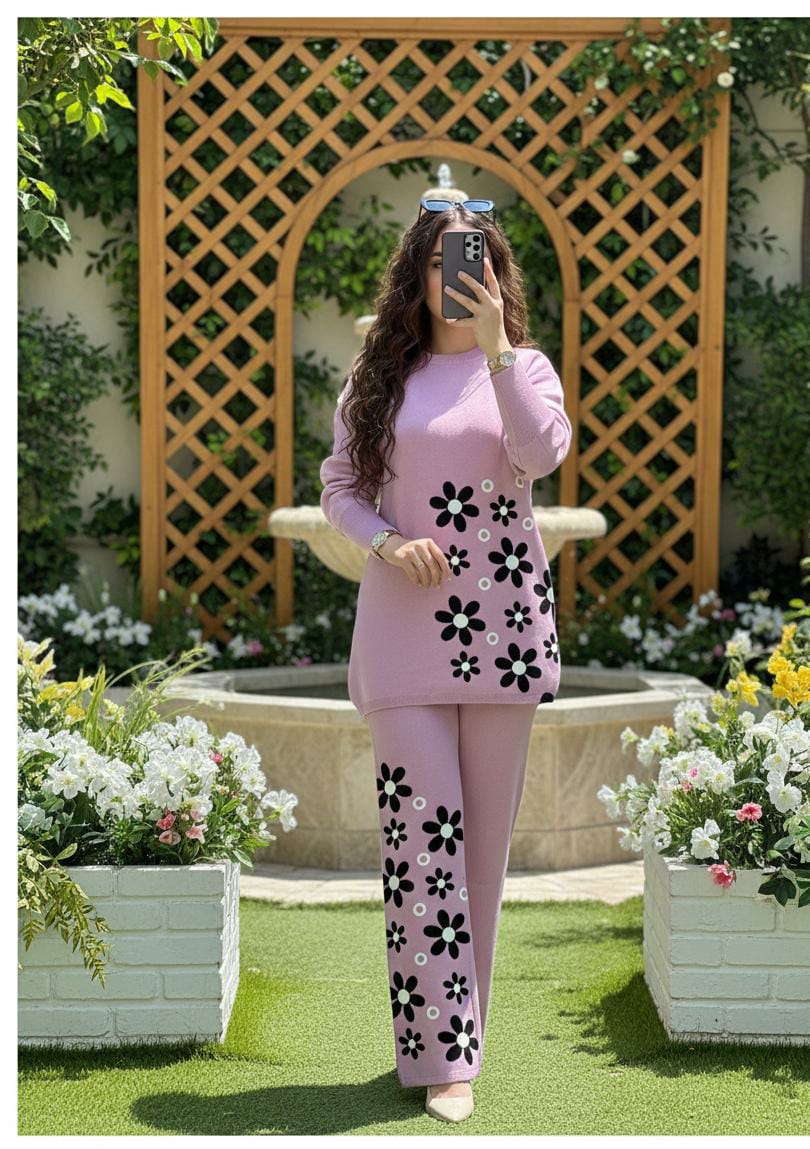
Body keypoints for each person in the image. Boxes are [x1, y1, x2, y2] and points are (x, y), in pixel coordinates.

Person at [319, 199, 572, 1122]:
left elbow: (540, 452)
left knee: (481, 859)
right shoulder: (378, 376)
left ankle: (463, 1047)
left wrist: (497, 344)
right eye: (437, 262)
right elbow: (340, 488)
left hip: (503, 632)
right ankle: (439, 1060)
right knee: (420, 850)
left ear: (494, 273)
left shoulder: (525, 368)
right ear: (415, 276)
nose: (453, 278)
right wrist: (387, 542)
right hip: (401, 637)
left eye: (471, 261)